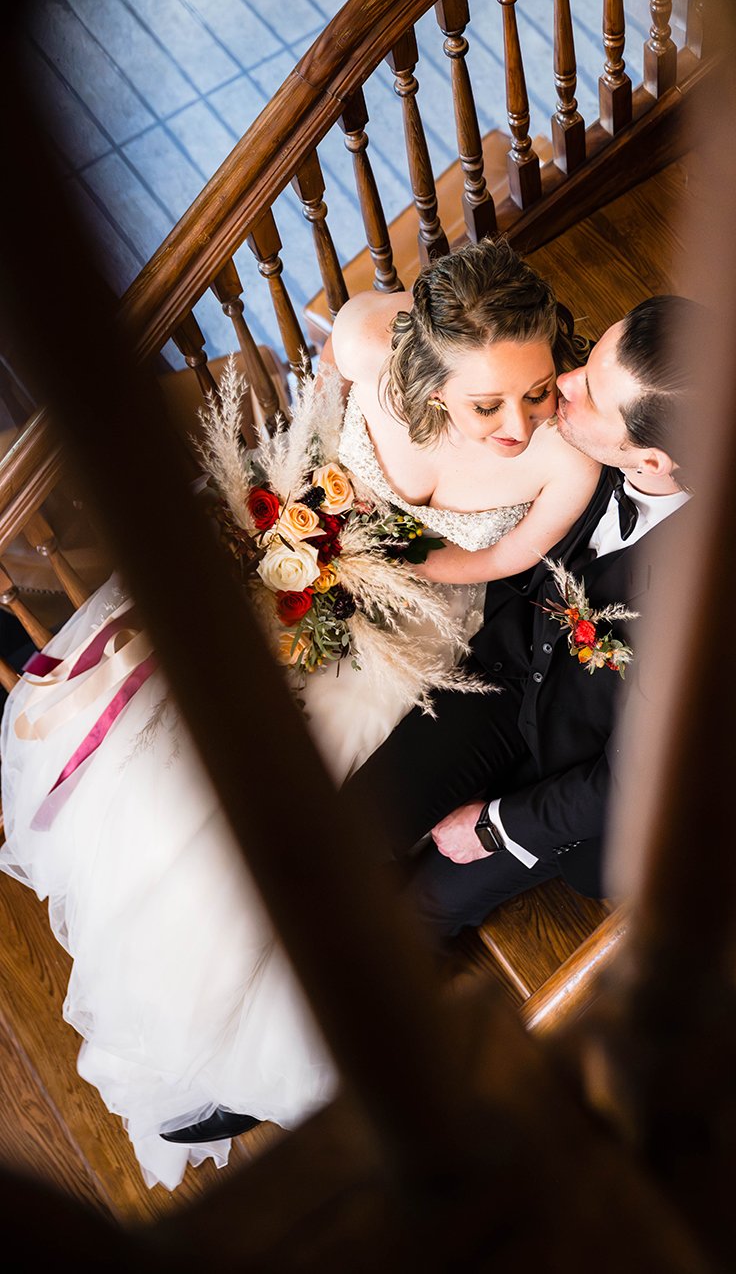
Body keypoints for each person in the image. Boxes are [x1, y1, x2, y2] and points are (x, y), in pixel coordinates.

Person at [0, 241, 599, 1190]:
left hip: (417, 622)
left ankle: (242, 1021)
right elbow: (325, 429)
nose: (518, 426)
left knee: (281, 822)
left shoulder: (565, 454)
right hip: (300, 568)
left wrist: (383, 566)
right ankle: (174, 998)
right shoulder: (366, 335)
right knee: (174, 789)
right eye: (487, 404)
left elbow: (502, 560)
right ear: (424, 366)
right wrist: (311, 537)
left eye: (534, 391)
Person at [340, 294, 718, 935]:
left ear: (652, 462)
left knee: (411, 922)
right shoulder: (581, 433)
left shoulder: (711, 607)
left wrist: (494, 824)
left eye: (591, 394)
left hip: (574, 773)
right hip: (506, 675)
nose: (562, 388)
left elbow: (631, 780)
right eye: (588, 364)